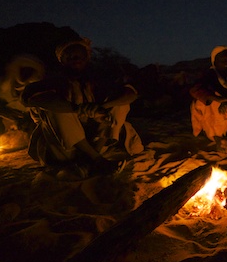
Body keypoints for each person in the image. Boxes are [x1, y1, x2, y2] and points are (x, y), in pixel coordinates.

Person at [21, 37, 143, 179]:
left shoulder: (98, 78)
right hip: (65, 146)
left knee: (120, 104)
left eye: (80, 55)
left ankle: (91, 158)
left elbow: (131, 94)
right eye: (70, 56)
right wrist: (77, 109)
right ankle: (96, 160)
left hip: (96, 141)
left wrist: (101, 107)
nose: (76, 58)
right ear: (62, 59)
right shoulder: (52, 80)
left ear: (87, 57)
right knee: (52, 107)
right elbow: (27, 97)